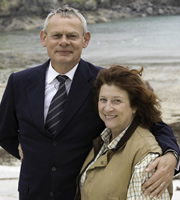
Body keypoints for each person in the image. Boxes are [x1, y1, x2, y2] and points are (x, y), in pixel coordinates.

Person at [0, 6, 179, 200]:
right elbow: (4, 132)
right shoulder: (19, 82)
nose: (64, 42)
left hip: (81, 194)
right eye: (56, 35)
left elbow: (154, 123)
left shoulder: (103, 82)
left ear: (85, 40)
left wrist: (171, 155)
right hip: (31, 193)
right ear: (44, 38)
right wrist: (29, 152)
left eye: (72, 36)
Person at [74, 65, 173, 200]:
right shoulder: (104, 140)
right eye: (103, 100)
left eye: (117, 101)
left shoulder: (147, 160)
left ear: (134, 106)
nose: (107, 108)